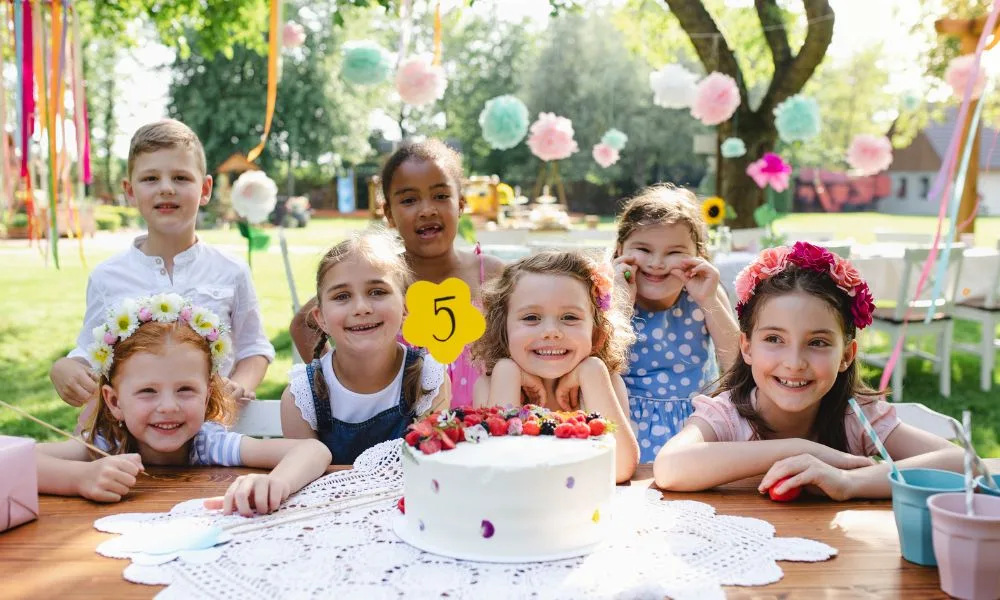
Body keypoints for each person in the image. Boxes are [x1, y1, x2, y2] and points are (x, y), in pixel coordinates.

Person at [653, 242, 962, 500]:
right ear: (746, 347)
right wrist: (799, 450)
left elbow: (960, 463)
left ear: (846, 355)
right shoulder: (726, 416)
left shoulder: (857, 417)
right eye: (774, 339)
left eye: (817, 342)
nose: (795, 362)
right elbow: (669, 468)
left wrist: (848, 482)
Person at [50, 120, 274, 431]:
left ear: (205, 189)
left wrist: (238, 385)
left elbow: (254, 349)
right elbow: (90, 353)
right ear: (130, 191)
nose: (166, 187)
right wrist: (64, 368)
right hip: (132, 439)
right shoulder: (107, 277)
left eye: (181, 177)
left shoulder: (231, 271)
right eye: (150, 178)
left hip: (216, 431)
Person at [36, 295, 330, 516]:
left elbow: (313, 450)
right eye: (148, 391)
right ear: (114, 401)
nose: (168, 407)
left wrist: (276, 483)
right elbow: (14, 461)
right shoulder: (105, 445)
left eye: (185, 390)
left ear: (206, 396)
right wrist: (80, 478)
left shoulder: (209, 444)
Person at [289, 139, 503, 408]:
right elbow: (304, 324)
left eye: (440, 195)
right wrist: (337, 387)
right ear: (389, 213)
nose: (427, 210)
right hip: (399, 440)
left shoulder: (492, 275)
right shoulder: (380, 279)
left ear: (460, 204)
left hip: (483, 433)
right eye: (409, 200)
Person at [281, 229, 451, 463]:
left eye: (377, 292)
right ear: (321, 319)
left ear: (405, 308)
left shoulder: (428, 379)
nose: (361, 307)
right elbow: (302, 479)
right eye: (342, 296)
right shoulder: (301, 396)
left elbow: (429, 469)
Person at [469, 251, 639, 482]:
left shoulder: (603, 380)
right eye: (531, 318)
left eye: (569, 317)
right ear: (503, 328)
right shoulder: (491, 383)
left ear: (596, 329)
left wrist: (592, 371)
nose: (551, 331)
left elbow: (619, 469)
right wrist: (506, 371)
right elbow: (499, 468)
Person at [610, 184, 740, 461]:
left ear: (698, 255)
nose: (657, 263)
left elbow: (737, 366)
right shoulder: (608, 296)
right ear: (621, 249)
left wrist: (709, 300)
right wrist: (621, 304)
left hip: (696, 426)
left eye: (674, 252)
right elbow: (600, 363)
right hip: (625, 424)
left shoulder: (705, 295)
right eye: (643, 249)